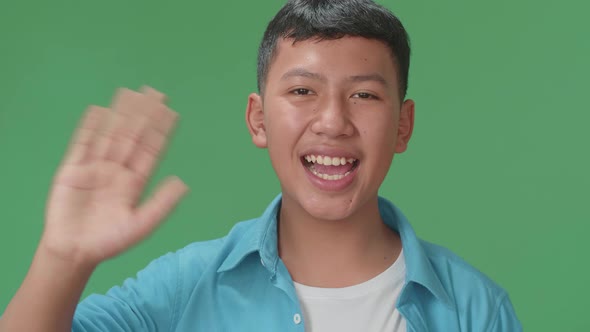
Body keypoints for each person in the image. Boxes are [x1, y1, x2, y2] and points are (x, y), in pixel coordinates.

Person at [0, 0, 522, 331]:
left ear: (403, 126)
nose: (333, 121)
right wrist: (62, 257)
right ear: (258, 119)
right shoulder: (185, 288)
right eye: (302, 91)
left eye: (364, 94)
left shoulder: (476, 309)